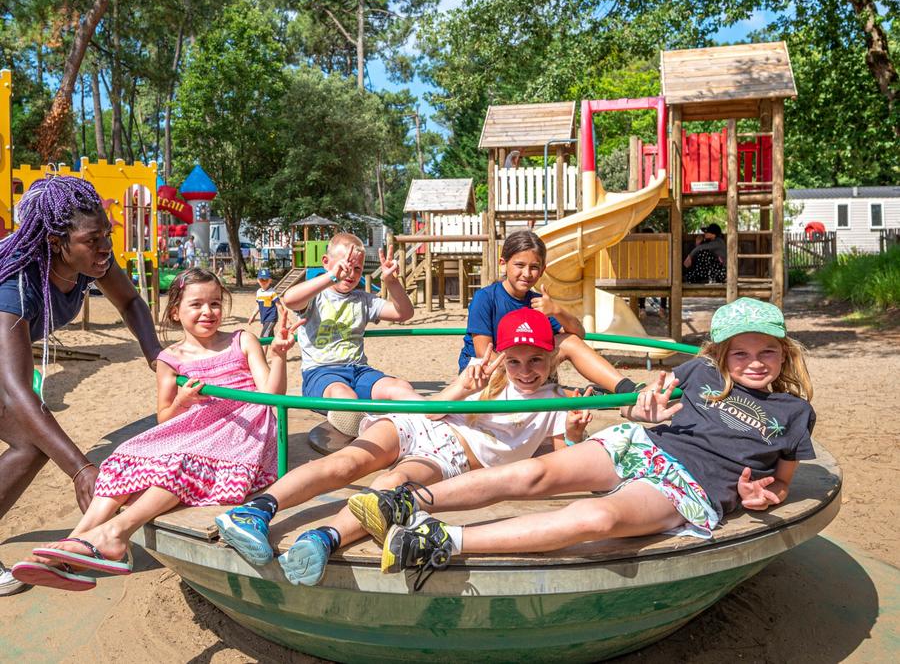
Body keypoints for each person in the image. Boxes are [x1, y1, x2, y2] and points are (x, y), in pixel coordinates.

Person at [360, 298, 816, 589]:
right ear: (722, 354)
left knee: (596, 517)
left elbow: (781, 483)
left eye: (766, 352)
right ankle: (403, 502)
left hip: (690, 487)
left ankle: (442, 540)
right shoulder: (701, 371)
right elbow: (637, 405)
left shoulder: (794, 412)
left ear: (784, 352)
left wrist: (763, 495)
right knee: (534, 473)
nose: (754, 363)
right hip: (643, 444)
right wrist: (640, 410)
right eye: (741, 353)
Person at [215, 308, 593, 587]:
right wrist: (463, 387)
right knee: (347, 462)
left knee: (393, 487)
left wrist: (575, 433)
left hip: (450, 459)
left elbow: (561, 464)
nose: (525, 371)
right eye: (515, 361)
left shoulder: (558, 402)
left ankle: (323, 538)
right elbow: (432, 411)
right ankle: (255, 511)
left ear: (551, 357)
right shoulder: (485, 375)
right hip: (420, 425)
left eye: (535, 360)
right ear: (503, 358)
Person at [11, 268, 299, 591]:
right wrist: (183, 401)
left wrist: (278, 356)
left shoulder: (242, 340)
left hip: (243, 430)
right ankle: (73, 543)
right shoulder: (170, 358)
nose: (208, 311)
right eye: (197, 304)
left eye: (215, 303)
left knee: (180, 464)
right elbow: (165, 416)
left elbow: (271, 396)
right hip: (196, 428)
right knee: (123, 457)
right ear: (175, 311)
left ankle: (116, 534)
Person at [0, 176, 162, 597]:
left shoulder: (92, 261)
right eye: (93, 240)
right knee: (32, 443)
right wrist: (80, 469)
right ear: (56, 242)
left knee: (32, 444)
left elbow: (130, 301)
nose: (105, 246)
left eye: (107, 234)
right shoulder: (17, 284)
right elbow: (17, 390)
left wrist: (157, 357)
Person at [458, 229, 639, 395]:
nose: (527, 273)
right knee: (523, 365)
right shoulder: (485, 298)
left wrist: (557, 310)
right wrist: (521, 368)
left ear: (542, 270)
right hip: (486, 372)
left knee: (569, 341)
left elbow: (579, 334)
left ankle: (626, 388)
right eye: (520, 265)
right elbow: (483, 354)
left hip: (521, 367)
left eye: (534, 267)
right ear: (504, 264)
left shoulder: (538, 302)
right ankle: (575, 395)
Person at [280, 232, 423, 436]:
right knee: (343, 396)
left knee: (400, 387)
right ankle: (370, 431)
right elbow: (290, 299)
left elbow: (404, 313)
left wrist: (391, 281)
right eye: (344, 266)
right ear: (326, 262)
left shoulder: (363, 299)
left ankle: (434, 419)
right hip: (322, 374)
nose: (350, 273)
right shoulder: (315, 297)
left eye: (357, 268)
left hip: (359, 371)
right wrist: (331, 277)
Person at [248, 268, 281, 341]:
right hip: (264, 318)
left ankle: (263, 349)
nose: (263, 282)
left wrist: (286, 317)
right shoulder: (259, 292)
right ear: (258, 280)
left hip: (271, 318)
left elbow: (279, 305)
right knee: (270, 338)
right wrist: (253, 315)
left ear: (270, 280)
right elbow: (258, 305)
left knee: (264, 338)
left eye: (266, 280)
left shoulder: (272, 292)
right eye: (261, 280)